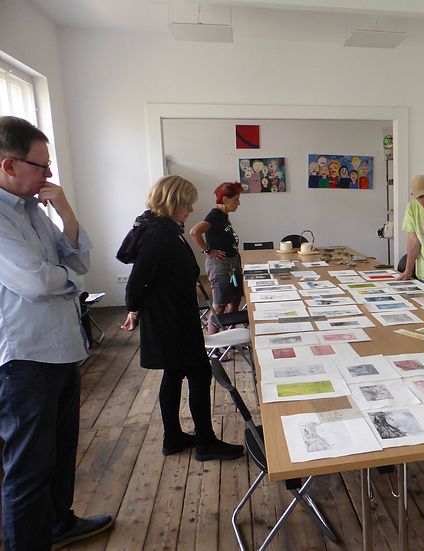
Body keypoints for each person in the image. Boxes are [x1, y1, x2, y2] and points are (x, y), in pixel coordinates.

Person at [0, 116, 113, 549]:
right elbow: (34, 282)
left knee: (62, 451)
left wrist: (66, 212)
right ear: (10, 164)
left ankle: (59, 525)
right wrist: (70, 280)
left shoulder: (33, 210)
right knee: (28, 468)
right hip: (25, 359)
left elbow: (78, 260)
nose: (49, 175)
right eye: (42, 166)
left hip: (62, 348)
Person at [120, 175, 244, 462]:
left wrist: (135, 308)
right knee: (199, 374)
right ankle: (205, 442)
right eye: (187, 203)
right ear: (172, 202)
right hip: (170, 320)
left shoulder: (163, 228)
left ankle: (173, 437)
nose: (190, 209)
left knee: (174, 374)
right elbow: (138, 281)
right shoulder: (158, 234)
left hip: (173, 316)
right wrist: (133, 309)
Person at [189, 182, 245, 348]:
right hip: (220, 265)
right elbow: (194, 231)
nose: (238, 203)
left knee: (235, 300)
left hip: (231, 263)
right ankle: (213, 346)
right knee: (219, 305)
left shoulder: (223, 216)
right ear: (225, 199)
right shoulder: (215, 215)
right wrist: (208, 251)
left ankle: (229, 339)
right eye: (235, 200)